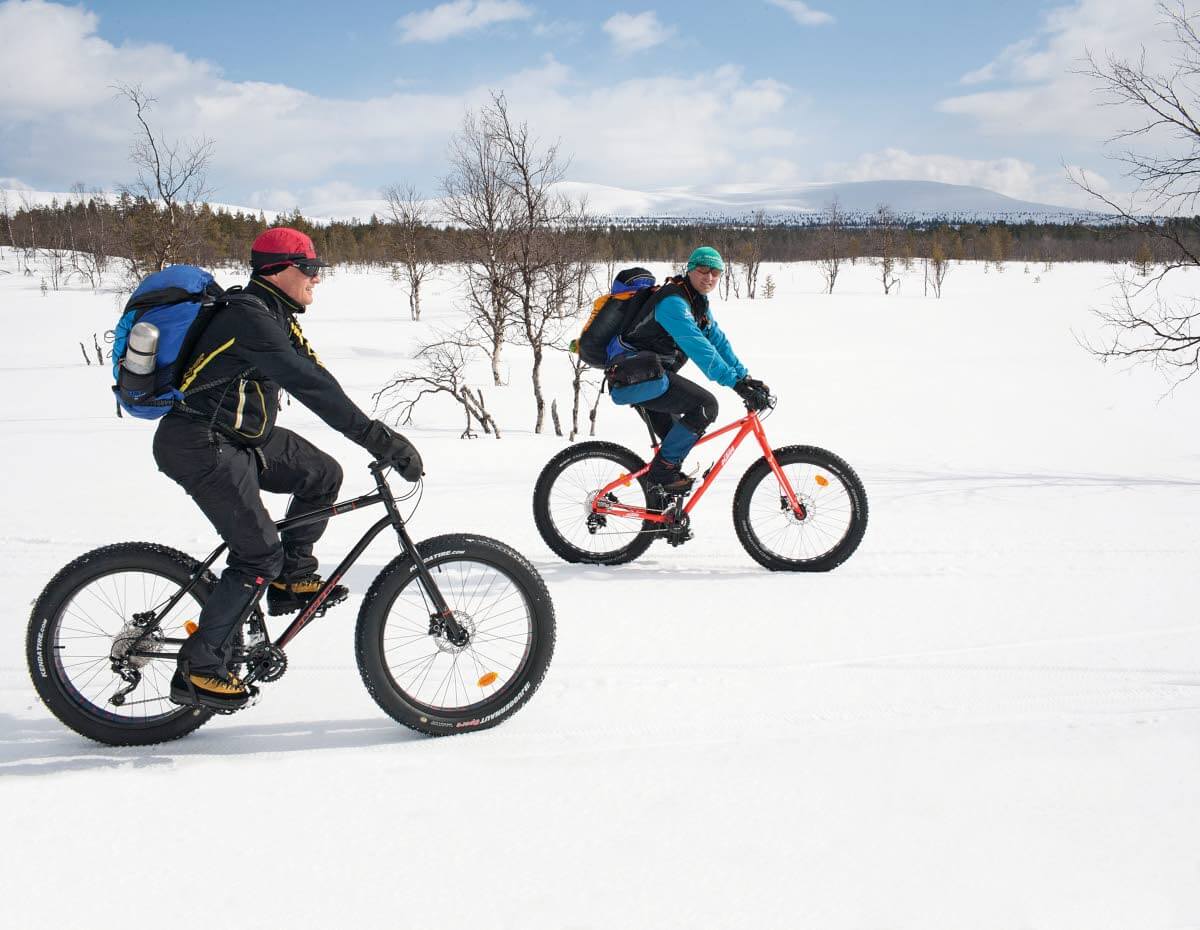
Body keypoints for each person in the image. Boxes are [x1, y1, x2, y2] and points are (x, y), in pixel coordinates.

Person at [154, 227, 422, 710]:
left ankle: (291, 579)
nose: (317, 280)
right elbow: (309, 388)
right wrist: (381, 439)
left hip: (239, 436)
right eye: (311, 270)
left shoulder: (275, 315)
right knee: (257, 553)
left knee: (321, 474)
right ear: (278, 270)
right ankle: (201, 667)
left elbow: (318, 375)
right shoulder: (249, 320)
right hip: (200, 441)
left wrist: (376, 434)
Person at [610, 246, 771, 495]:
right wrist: (735, 384)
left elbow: (718, 342)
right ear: (690, 269)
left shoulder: (696, 302)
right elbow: (698, 347)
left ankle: (661, 509)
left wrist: (744, 377)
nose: (709, 277)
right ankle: (661, 474)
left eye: (715, 272)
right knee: (706, 407)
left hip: (652, 375)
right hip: (637, 376)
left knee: (678, 440)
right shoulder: (673, 303)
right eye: (703, 270)